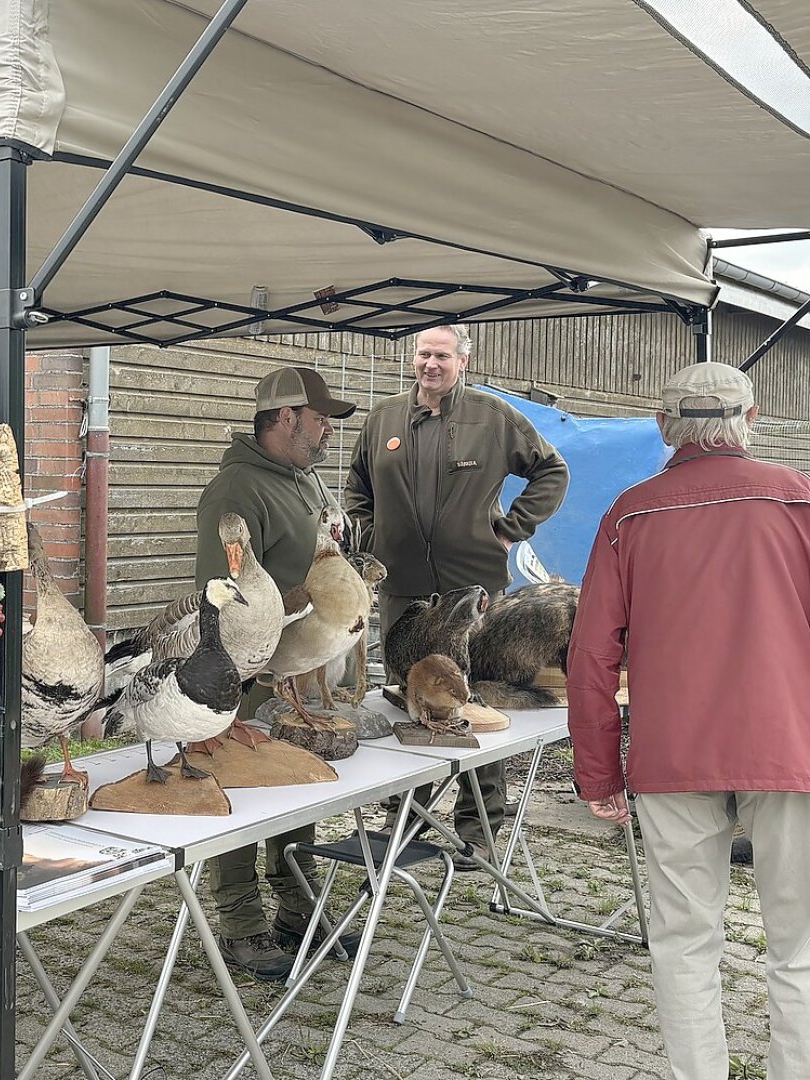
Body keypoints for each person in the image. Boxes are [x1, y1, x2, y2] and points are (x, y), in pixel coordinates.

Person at [569, 362, 810, 1080]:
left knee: (683, 944)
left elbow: (589, 653)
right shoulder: (799, 501)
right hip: (791, 749)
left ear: (661, 425)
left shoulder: (629, 512)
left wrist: (596, 772)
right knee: (799, 949)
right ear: (752, 417)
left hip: (672, 756)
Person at [345, 324, 568, 868]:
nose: (431, 364)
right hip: (404, 588)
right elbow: (356, 489)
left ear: (462, 361)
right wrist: (373, 537)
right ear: (412, 360)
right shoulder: (383, 420)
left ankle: (481, 829)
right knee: (409, 694)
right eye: (423, 354)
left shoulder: (492, 419)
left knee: (474, 697)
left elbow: (551, 471)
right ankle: (405, 818)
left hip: (473, 585)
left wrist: (512, 528)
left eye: (442, 355)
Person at [194, 365, 359, 982]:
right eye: (319, 419)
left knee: (291, 783)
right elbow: (224, 596)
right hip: (246, 674)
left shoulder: (303, 480)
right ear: (286, 417)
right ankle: (239, 921)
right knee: (241, 788)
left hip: (296, 671)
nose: (325, 432)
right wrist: (299, 603)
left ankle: (296, 905)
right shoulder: (237, 492)